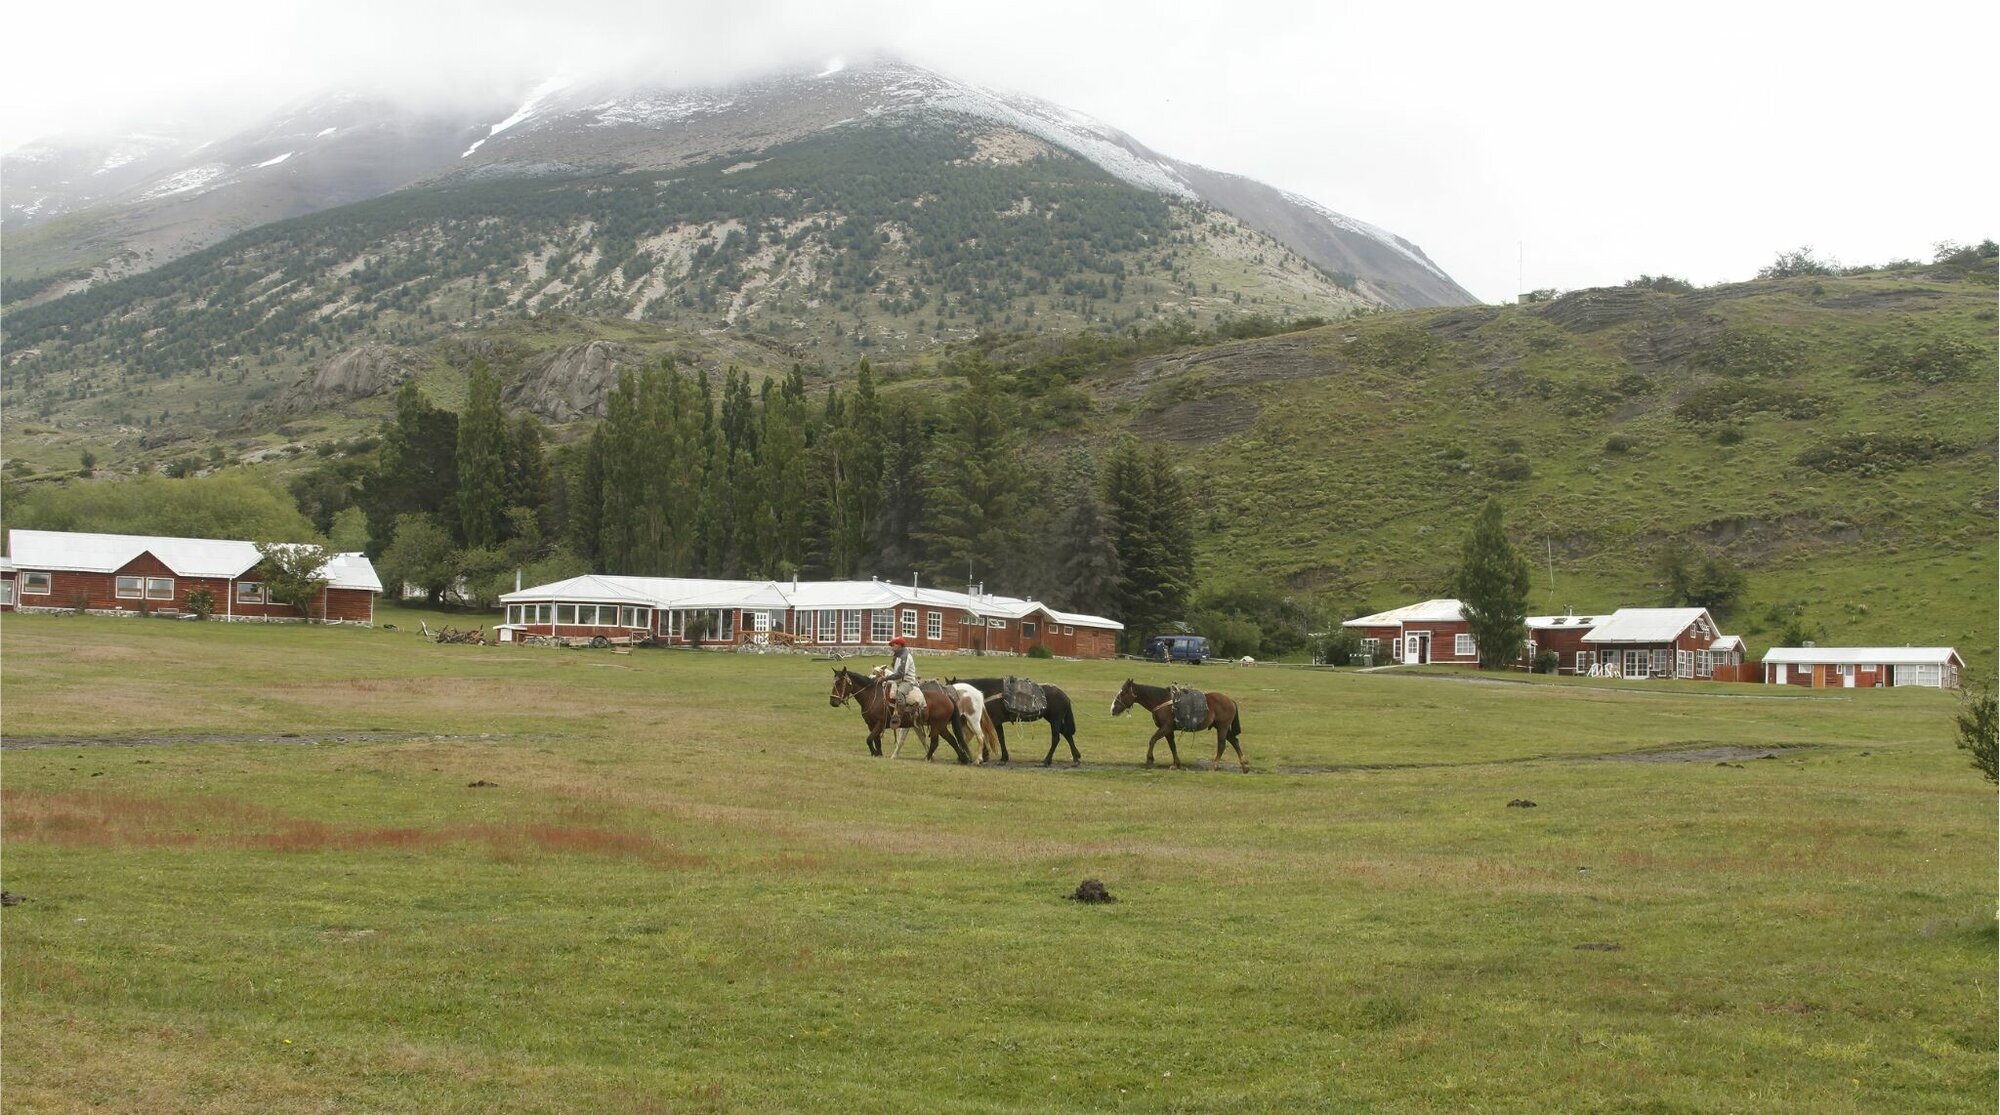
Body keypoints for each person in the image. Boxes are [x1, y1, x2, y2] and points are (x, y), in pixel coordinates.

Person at [885, 635, 923, 724]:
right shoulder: (899, 655)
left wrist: (886, 678)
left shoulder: (905, 656)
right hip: (899, 680)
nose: (891, 648)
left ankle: (898, 715)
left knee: (900, 692)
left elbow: (901, 674)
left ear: (899, 645)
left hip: (907, 681)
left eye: (893, 645)